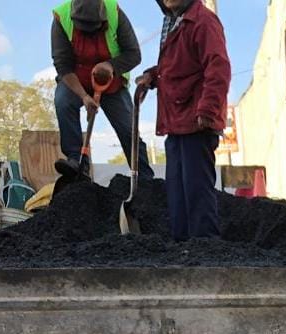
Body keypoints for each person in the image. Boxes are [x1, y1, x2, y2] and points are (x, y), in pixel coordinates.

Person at [137, 0, 230, 241]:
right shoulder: (175, 24)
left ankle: (205, 246)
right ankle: (182, 248)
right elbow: (177, 67)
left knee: (196, 191)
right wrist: (152, 76)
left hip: (197, 123)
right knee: (177, 193)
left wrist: (208, 110)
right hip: (176, 123)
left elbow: (218, 67)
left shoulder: (203, 21)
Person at [51, 0, 153, 178]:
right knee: (63, 101)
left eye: (93, 27)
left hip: (111, 83)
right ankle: (76, 160)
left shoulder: (115, 14)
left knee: (128, 129)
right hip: (77, 80)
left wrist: (110, 65)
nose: (88, 31)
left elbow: (134, 54)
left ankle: (144, 177)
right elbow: (63, 65)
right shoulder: (61, 18)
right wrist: (83, 96)